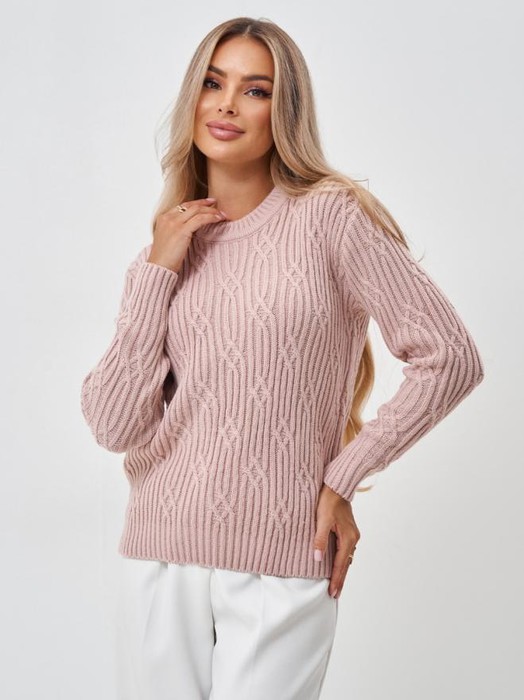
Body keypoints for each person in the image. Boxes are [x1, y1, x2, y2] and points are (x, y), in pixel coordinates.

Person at [79, 16, 485, 700]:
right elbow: (114, 426)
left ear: (284, 110)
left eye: (255, 90)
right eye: (213, 83)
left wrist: (344, 478)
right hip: (160, 553)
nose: (227, 105)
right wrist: (157, 271)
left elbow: (450, 357)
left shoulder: (331, 218)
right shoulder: (160, 257)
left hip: (285, 554)